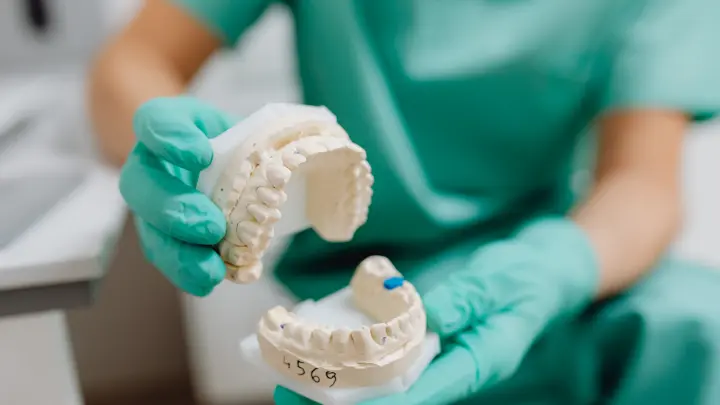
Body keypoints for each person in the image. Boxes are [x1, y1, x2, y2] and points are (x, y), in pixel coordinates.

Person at [88, 0, 720, 404]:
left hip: (545, 273)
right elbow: (137, 58)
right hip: (348, 284)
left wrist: (561, 264)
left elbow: (642, 181)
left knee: (700, 318)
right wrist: (176, 153)